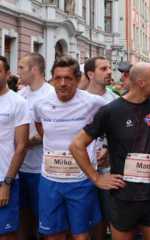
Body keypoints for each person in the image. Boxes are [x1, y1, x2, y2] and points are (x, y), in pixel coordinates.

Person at [69, 62, 150, 240]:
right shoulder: (110, 111)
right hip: (123, 196)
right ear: (142, 82)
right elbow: (76, 145)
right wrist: (96, 178)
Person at [33, 56, 105, 240]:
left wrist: (106, 148)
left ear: (78, 79)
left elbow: (116, 123)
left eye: (68, 78)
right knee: (53, 235)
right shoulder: (40, 104)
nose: (63, 83)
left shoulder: (93, 102)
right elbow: (42, 130)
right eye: (58, 78)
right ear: (52, 79)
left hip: (80, 180)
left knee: (81, 236)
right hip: (50, 180)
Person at [17, 53, 54, 240]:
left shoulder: (51, 94)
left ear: (34, 69)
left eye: (22, 67)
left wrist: (31, 141)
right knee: (22, 216)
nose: (18, 71)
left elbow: (54, 129)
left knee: (43, 218)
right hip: (19, 167)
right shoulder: (20, 95)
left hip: (42, 169)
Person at [84, 56, 119, 240]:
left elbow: (120, 134)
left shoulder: (114, 99)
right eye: (103, 69)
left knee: (109, 214)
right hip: (83, 169)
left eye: (109, 68)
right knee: (89, 217)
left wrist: (108, 148)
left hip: (107, 168)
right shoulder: (79, 98)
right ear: (90, 74)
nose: (109, 72)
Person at [0, 56, 29, 240]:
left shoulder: (17, 102)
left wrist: (7, 183)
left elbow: (22, 146)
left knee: (6, 234)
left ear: (7, 73)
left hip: (4, 177)